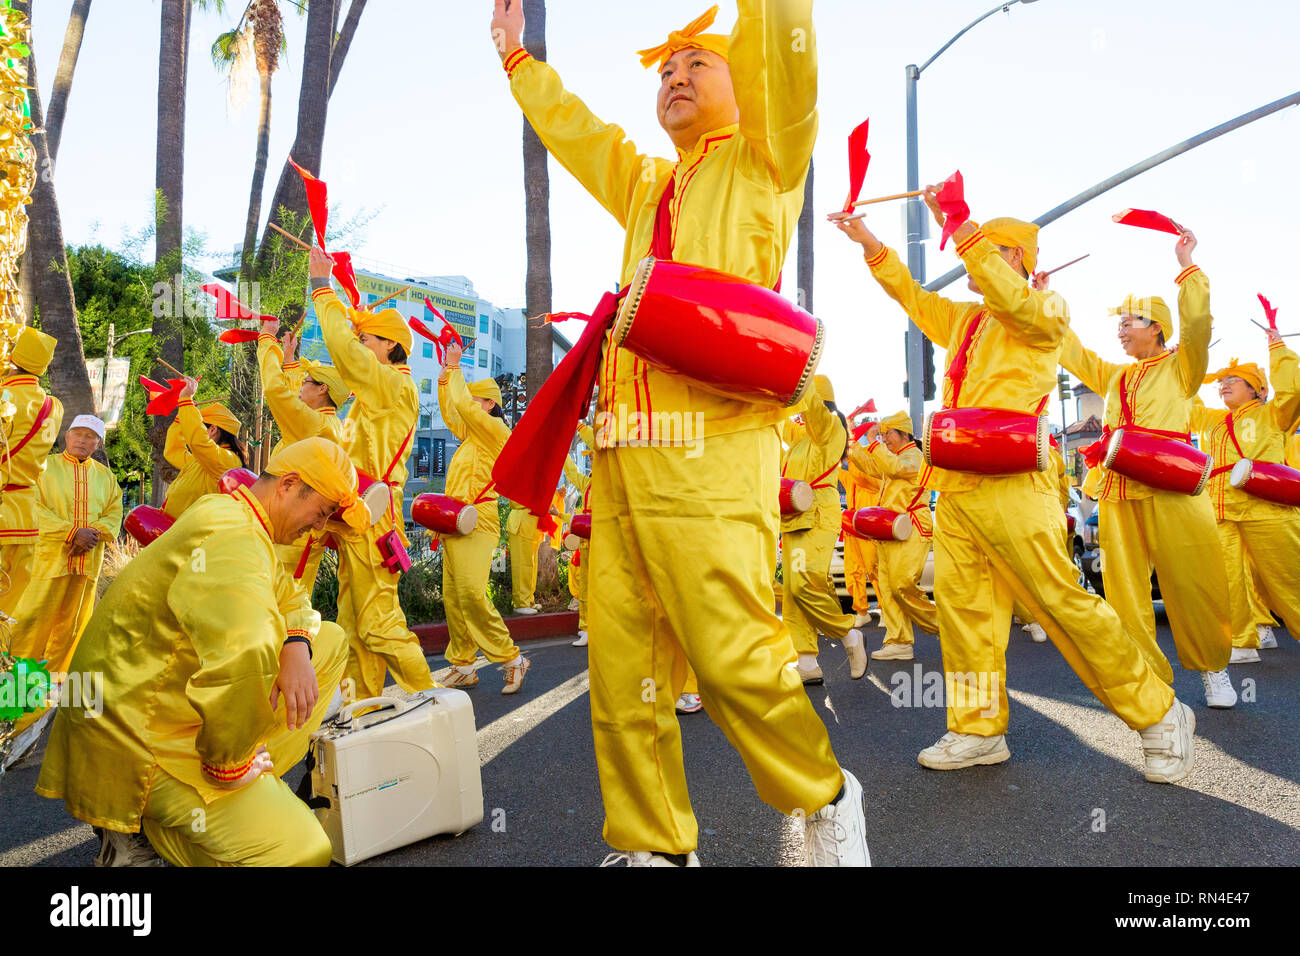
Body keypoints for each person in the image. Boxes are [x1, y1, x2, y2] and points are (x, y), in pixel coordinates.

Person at [491, 0, 869, 865]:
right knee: (623, 670)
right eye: (666, 70)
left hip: (715, 450)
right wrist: (519, 61)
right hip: (622, 458)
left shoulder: (770, 158)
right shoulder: (646, 184)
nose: (676, 77)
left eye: (699, 63)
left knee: (733, 657)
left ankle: (826, 798)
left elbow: (789, 66)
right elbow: (578, 131)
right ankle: (654, 844)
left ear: (747, 85)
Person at [830, 195, 1193, 784]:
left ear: (1016, 258)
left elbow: (1017, 302)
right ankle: (977, 730)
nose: (970, 262)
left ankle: (1160, 714)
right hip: (957, 487)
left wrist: (963, 229)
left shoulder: (1045, 310)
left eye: (985, 252)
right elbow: (914, 298)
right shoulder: (968, 321)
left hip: (1015, 485)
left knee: (1061, 604)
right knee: (965, 613)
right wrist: (867, 241)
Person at [36, 439, 362, 866]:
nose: (317, 529)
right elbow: (243, 656)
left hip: (151, 707)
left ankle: (235, 786)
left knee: (329, 640)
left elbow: (292, 596)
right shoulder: (234, 535)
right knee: (302, 853)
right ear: (288, 484)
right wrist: (229, 765)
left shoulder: (237, 517)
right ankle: (151, 821)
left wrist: (297, 644)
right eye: (319, 514)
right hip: (139, 738)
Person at [1059, 232, 1236, 708]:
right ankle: (1149, 678)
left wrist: (1186, 266)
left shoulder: (1183, 367)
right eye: (1119, 323)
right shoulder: (1114, 376)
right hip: (1118, 490)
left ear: (1157, 327)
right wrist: (1039, 300)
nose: (1121, 329)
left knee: (1192, 579)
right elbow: (1071, 351)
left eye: (1131, 321)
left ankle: (1214, 667)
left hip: (1173, 484)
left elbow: (1197, 324)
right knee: (1124, 589)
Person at [308, 249, 436, 702]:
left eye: (368, 340)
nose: (361, 346)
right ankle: (362, 711)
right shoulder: (377, 392)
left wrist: (323, 290)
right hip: (359, 509)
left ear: (389, 347)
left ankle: (434, 700)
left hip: (376, 513)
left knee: (378, 623)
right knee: (352, 622)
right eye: (362, 340)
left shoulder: (394, 386)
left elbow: (345, 355)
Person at [5, 415, 120, 753]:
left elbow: (115, 514)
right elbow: (33, 508)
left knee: (68, 639)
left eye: (91, 438)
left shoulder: (106, 477)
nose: (83, 442)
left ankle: (39, 716)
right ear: (66, 436)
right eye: (78, 435)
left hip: (85, 571)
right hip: (47, 567)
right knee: (28, 632)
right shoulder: (43, 468)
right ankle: (11, 712)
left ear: (98, 444)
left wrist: (92, 535)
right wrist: (71, 533)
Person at [1191, 332, 1300, 661]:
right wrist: (1184, 360)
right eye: (1221, 381)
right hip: (1220, 510)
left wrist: (1277, 349)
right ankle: (1241, 641)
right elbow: (1184, 398)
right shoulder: (1212, 420)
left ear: (1256, 388)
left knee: (1287, 577)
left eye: (1233, 380)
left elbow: (1293, 389)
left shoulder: (1274, 415)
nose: (1224, 385)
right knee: (1227, 580)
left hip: (1267, 509)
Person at [433, 344, 531, 694]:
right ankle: (463, 664)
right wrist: (447, 377)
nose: (469, 405)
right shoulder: (472, 436)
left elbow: (462, 408)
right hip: (454, 519)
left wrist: (454, 366)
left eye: (476, 400)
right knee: (453, 596)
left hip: (478, 519)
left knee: (472, 593)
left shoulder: (495, 432)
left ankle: (512, 659)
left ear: (489, 404)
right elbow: (452, 411)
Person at [781, 376, 867, 682]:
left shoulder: (830, 426)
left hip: (818, 513)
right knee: (795, 591)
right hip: (793, 514)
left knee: (802, 585)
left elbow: (813, 410)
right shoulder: (800, 436)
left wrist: (800, 374)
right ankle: (806, 662)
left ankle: (849, 636)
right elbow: (775, 421)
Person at [257, 321, 349, 595]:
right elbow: (296, 396)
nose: (301, 386)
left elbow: (276, 391)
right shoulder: (326, 422)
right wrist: (289, 359)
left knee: (279, 600)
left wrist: (266, 342)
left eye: (306, 382)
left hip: (293, 526)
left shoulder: (314, 425)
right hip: (299, 524)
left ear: (322, 390)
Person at [846, 409, 938, 661]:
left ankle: (943, 623)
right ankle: (899, 641)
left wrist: (874, 443)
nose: (885, 438)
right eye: (883, 434)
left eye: (888, 434)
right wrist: (851, 445)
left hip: (912, 527)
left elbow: (893, 467)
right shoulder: (893, 457)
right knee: (886, 588)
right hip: (889, 528)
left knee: (901, 584)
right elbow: (870, 465)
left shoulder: (915, 457)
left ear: (904, 433)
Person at [1, 327, 63, 620]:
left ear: (11, 358)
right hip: (27, 518)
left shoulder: (5, 397)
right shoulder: (55, 407)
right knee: (7, 609)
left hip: (3, 509)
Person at [160, 382, 246, 519]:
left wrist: (186, 402)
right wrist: (181, 418)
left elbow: (198, 441)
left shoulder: (228, 461)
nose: (199, 430)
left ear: (212, 429)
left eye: (202, 427)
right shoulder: (203, 460)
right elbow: (173, 451)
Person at [839, 435, 881, 629]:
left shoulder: (871, 477)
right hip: (851, 527)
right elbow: (837, 470)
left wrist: (852, 450)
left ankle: (887, 609)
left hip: (869, 527)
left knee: (875, 569)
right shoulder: (851, 478)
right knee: (853, 571)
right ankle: (861, 610)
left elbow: (860, 476)